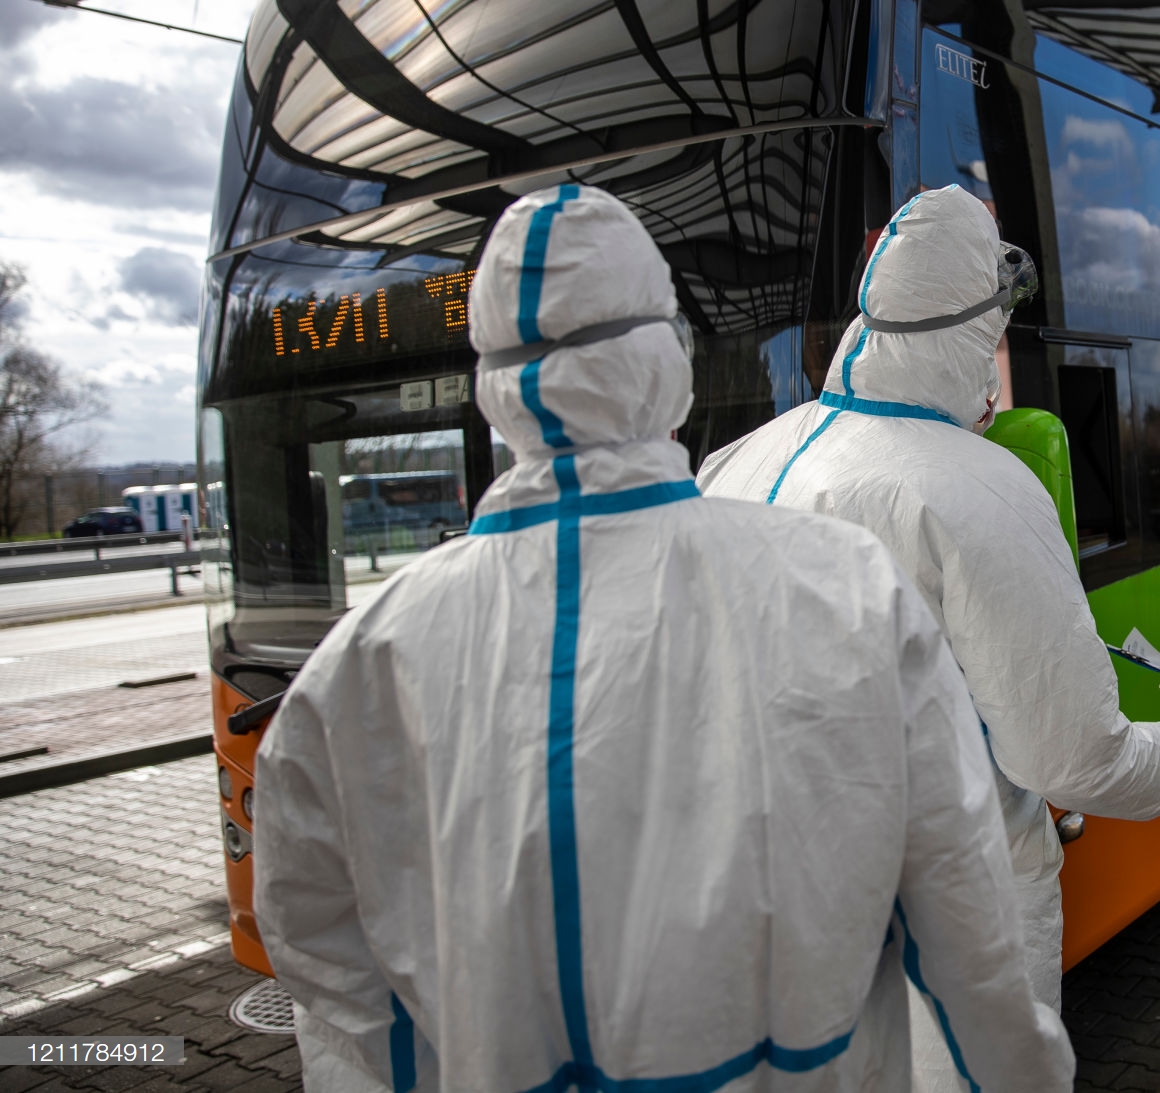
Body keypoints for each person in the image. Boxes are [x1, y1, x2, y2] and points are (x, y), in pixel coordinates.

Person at [254, 186, 1073, 1093]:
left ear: (492, 389)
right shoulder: (845, 592)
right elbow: (964, 932)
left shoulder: (356, 666)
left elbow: (326, 977)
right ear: (670, 366)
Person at [697, 184, 1160, 1089]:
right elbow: (1070, 754)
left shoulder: (735, 461)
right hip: (942, 924)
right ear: (977, 329)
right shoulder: (979, 488)